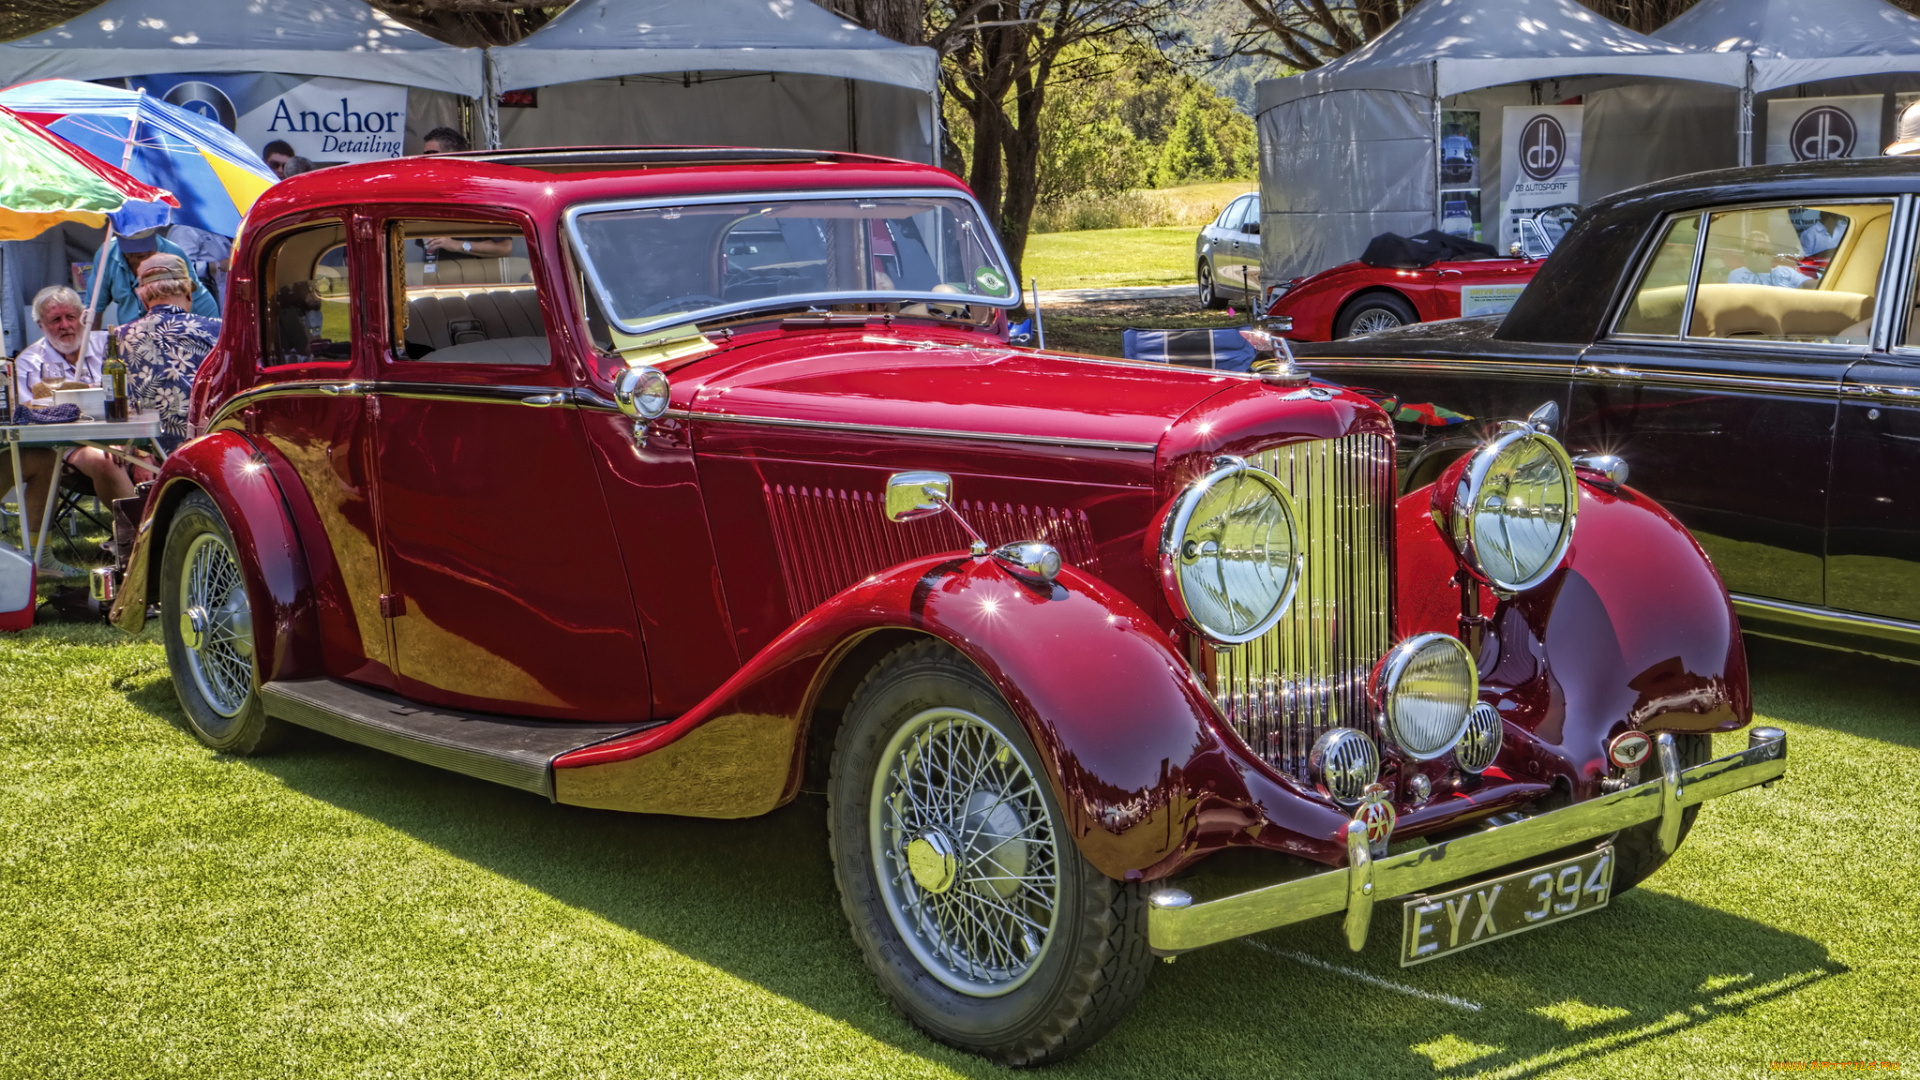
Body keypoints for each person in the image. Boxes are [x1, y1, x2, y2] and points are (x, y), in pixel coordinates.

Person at [3, 286, 137, 577]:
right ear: (40, 325)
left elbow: (136, 398)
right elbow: (36, 420)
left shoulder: (109, 346)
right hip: (67, 446)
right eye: (55, 320)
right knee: (103, 459)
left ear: (83, 318)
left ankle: (152, 540)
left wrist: (127, 442)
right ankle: (139, 549)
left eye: (71, 317)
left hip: (126, 436)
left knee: (151, 456)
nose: (65, 325)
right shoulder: (31, 362)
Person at [116, 254, 221, 454]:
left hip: (145, 452)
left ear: (143, 298)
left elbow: (118, 401)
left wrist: (142, 454)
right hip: (208, 447)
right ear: (188, 292)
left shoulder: (120, 337)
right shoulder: (216, 329)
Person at [417, 128, 513, 258]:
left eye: (431, 154)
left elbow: (504, 248)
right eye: (424, 155)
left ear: (452, 156)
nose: (425, 160)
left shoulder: (482, 192)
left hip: (476, 276)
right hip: (434, 274)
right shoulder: (428, 194)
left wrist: (457, 245)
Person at [91, 230, 219, 326]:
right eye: (137, 256)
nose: (144, 259)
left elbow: (189, 295)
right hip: (135, 329)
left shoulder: (172, 251)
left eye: (148, 253)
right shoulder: (107, 254)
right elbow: (93, 308)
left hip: (189, 321)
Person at [1725, 229, 1810, 288]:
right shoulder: (1738, 275)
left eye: (1762, 251)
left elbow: (1812, 285)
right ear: (1746, 255)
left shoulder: (1785, 272)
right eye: (1752, 251)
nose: (1757, 256)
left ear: (1770, 254)